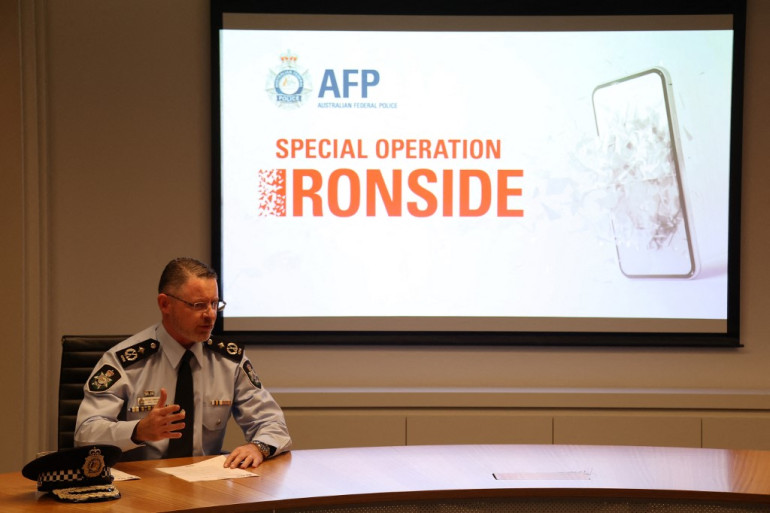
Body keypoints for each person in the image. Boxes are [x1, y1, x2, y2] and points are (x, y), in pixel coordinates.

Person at [74, 257, 291, 468]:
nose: (210, 315)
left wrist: (258, 447)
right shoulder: (125, 361)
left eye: (214, 304)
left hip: (206, 482)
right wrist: (138, 430)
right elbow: (85, 434)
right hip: (141, 483)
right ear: (165, 304)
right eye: (198, 305)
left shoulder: (228, 361)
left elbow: (272, 423)